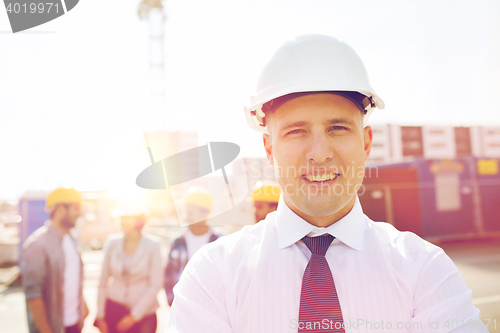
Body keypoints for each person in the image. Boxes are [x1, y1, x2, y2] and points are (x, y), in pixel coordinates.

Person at [164, 34, 489, 332]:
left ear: (365, 144)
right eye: (296, 130)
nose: (319, 154)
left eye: (337, 128)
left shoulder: (425, 272)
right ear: (269, 149)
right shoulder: (213, 277)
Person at [21, 188, 89, 333]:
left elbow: (71, 278)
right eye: (76, 208)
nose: (79, 213)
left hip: (75, 324)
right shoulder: (37, 245)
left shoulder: (71, 239)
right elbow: (33, 295)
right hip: (54, 328)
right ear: (60, 209)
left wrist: (83, 304)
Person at [95, 207, 163, 333]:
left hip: (144, 314)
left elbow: (155, 285)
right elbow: (102, 282)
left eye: (127, 217)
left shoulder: (153, 245)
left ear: (138, 220)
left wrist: (134, 316)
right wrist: (100, 315)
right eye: (121, 217)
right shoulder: (112, 243)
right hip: (114, 308)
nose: (122, 221)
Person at [164, 190, 223, 306]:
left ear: (205, 212)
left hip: (213, 308)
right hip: (183, 305)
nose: (187, 215)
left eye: (191, 211)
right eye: (186, 210)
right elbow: (168, 274)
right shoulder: (177, 241)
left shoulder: (222, 241)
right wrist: (172, 302)